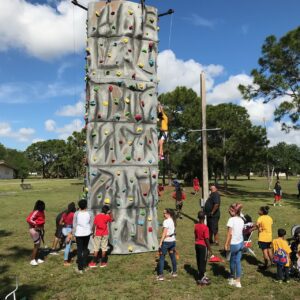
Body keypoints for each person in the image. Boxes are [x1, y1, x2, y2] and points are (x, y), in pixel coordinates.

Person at [224, 203, 244, 288]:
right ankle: (238, 281)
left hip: (234, 243)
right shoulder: (241, 220)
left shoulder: (231, 220)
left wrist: (226, 244)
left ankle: (232, 278)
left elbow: (229, 234)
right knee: (238, 261)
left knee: (232, 260)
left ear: (234, 211)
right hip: (241, 242)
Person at [71, 199, 93, 274]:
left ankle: (80, 268)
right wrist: (91, 231)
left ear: (79, 206)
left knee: (79, 250)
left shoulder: (76, 213)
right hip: (87, 233)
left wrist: (73, 233)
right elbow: (91, 223)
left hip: (79, 234)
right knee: (85, 249)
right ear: (86, 205)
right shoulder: (90, 213)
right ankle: (84, 264)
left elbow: (74, 224)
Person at [157, 208, 177, 281]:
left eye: (164, 213)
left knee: (162, 258)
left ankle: (161, 276)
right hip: (172, 241)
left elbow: (164, 232)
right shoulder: (173, 220)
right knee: (172, 257)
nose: (163, 214)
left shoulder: (166, 221)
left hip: (166, 242)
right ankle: (174, 272)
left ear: (168, 214)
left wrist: (160, 242)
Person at [194, 211, 212, 286]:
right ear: (204, 218)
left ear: (198, 217)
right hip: (203, 246)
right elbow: (206, 239)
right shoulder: (205, 227)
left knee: (199, 260)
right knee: (203, 262)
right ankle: (201, 278)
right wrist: (210, 249)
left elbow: (195, 235)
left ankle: (201, 275)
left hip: (197, 244)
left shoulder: (196, 225)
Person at [26, 200, 46, 266]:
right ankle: (32, 259)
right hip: (34, 230)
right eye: (43, 205)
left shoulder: (41, 212)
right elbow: (29, 219)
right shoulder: (36, 212)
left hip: (39, 230)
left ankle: (37, 258)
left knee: (38, 244)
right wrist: (36, 224)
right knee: (36, 245)